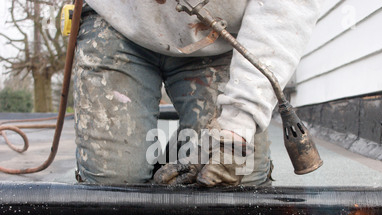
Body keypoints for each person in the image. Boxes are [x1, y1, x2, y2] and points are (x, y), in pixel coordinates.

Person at [73, 0, 321, 186]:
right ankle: (154, 155)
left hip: (217, 36)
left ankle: (179, 151)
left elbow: (285, 11)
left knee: (239, 179)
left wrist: (239, 124)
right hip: (118, 20)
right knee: (113, 184)